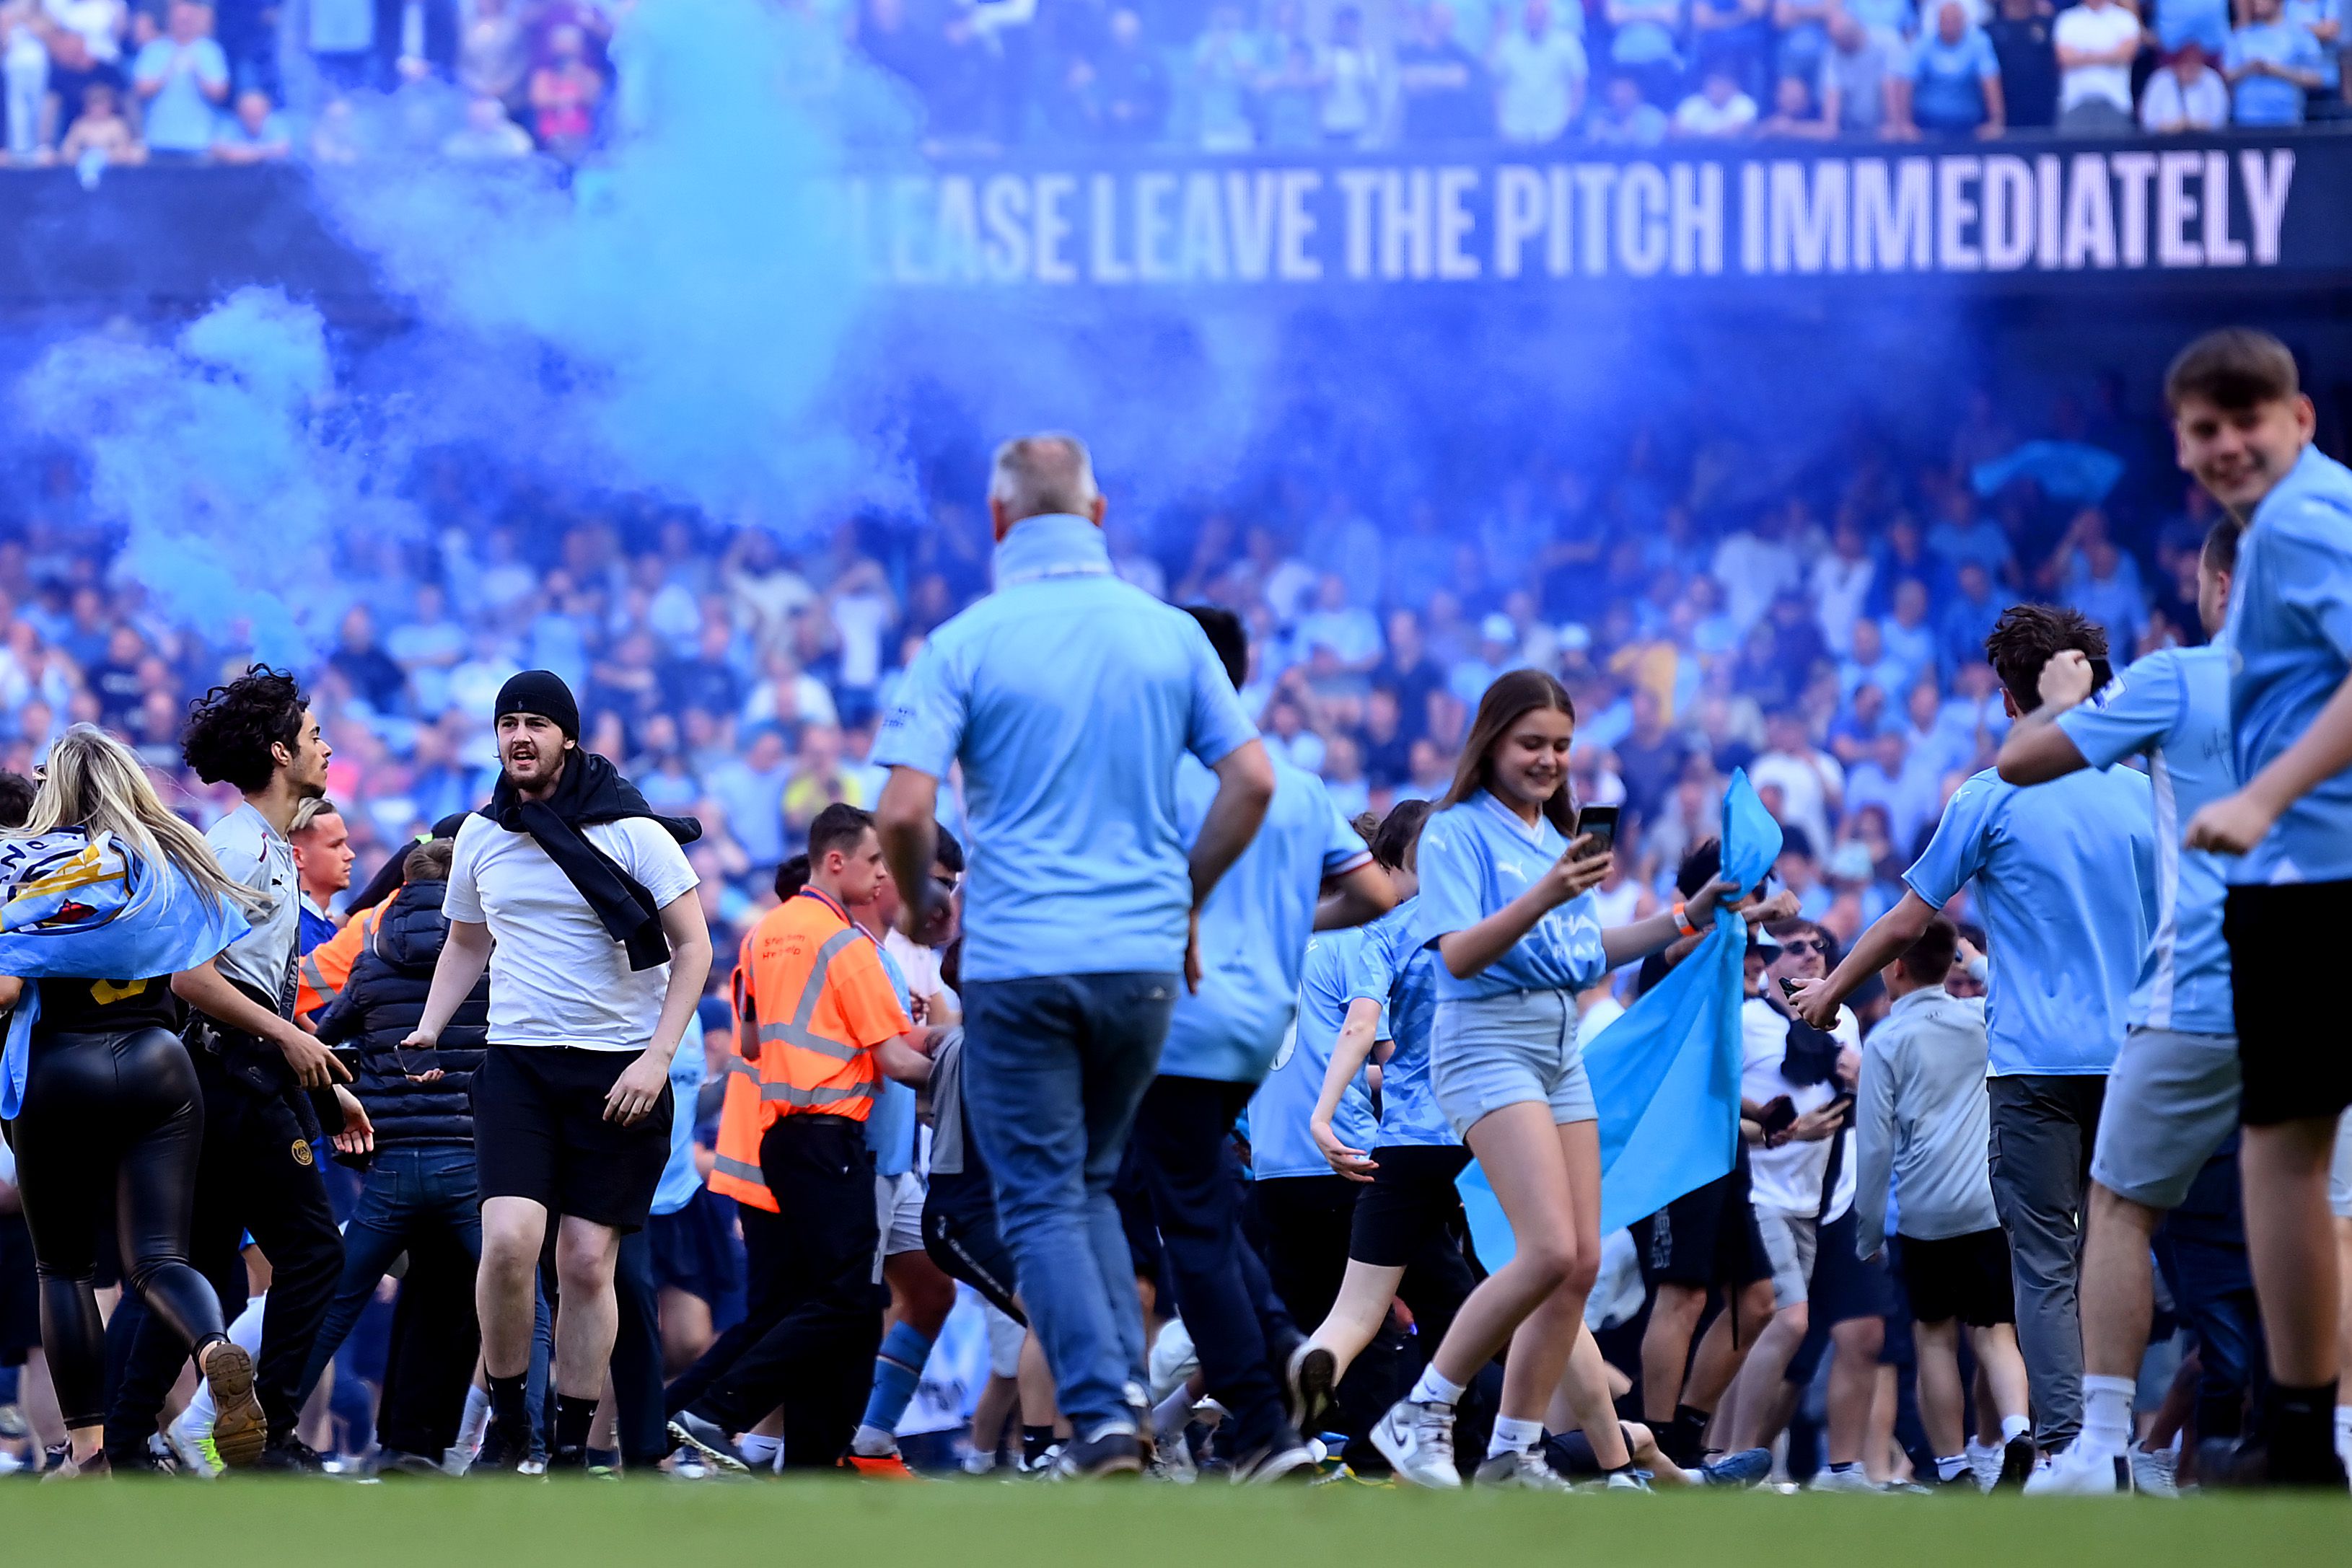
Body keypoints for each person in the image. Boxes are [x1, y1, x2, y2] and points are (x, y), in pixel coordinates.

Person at [873, 433, 1274, 1477]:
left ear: (999, 520)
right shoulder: (1170, 635)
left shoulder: (966, 639)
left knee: (1045, 1192)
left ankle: (1099, 1417)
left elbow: (906, 804)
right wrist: (1185, 893)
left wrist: (920, 903)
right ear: (1100, 515)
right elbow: (1253, 783)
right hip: (1141, 961)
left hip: (1020, 958)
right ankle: (1125, 1399)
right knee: (1091, 1182)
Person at [1370, 669, 1754, 1489]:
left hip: (1555, 1046)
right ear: (1490, 742)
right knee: (1543, 1248)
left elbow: (1587, 954)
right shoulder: (1452, 832)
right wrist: (1548, 890)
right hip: (1482, 1044)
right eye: (1530, 743)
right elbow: (1459, 953)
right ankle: (1424, 1407)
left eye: (1559, 745)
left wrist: (1691, 913)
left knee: (1578, 1261)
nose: (1547, 759)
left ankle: (1513, 1450)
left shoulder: (1558, 837)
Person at [1796, 607, 2155, 1463]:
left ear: (2005, 697)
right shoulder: (2143, 789)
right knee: (2123, 1242)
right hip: (2138, 1057)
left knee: (2042, 1260)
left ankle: (2070, 1444)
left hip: (2032, 1066)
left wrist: (1828, 991)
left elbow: (1902, 923)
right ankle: (2120, 1438)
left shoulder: (1992, 791)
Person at [400, 670, 711, 1472]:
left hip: (619, 1071)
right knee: (506, 1244)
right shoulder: (479, 835)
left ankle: (571, 1446)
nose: (519, 735)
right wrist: (430, 1025)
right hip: (519, 1066)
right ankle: (509, 1420)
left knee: (583, 1262)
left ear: (567, 735)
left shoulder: (636, 833)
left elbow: (694, 947)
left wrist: (657, 1057)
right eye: (507, 722)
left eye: (535, 720)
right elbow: (468, 940)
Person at [1996, 516, 2244, 1492]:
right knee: (2326, 1220)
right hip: (2318, 989)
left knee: (2117, 1212)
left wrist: (2065, 703)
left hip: (2194, 994)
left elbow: (2023, 761)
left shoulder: (2175, 680)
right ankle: (2333, 1435)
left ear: (2217, 583)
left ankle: (2098, 1443)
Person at [1128, 606, 1391, 1483]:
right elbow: (1376, 892)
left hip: (1172, 1015)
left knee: (1190, 1228)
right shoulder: (1299, 782)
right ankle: (1280, 1353)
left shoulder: (1149, 778)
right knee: (1202, 1198)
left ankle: (1262, 1415)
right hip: (1256, 1028)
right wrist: (1282, 926)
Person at [107, 668, 372, 1474]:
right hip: (227, 1076)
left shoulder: (269, 847)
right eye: (316, 733)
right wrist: (287, 1043)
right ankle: (272, 1435)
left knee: (206, 1266)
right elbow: (189, 973)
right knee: (316, 1252)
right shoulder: (236, 843)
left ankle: (122, 1443)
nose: (327, 747)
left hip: (240, 1071)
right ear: (281, 749)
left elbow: (251, 984)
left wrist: (322, 1080)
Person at [2175, 327, 2352, 1486]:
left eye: (2253, 418)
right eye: (2207, 425)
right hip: (2307, 874)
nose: (2231, 443)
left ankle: (2296, 1436)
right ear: (2182, 441)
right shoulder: (2315, 508)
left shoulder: (2293, 523)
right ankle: (2296, 1435)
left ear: (2302, 418)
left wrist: (2261, 797)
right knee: (2289, 1157)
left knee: (2281, 1157)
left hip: (2314, 875)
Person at [0, 733, 274, 1476]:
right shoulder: (166, 856)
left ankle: (87, 1450)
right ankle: (215, 1348)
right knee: (158, 1258)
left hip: (59, 1064)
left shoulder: (26, 861)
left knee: (63, 1266)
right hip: (159, 1061)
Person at [664, 803, 932, 1471]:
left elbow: (751, 1041)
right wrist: (976, 1070)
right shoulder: (846, 944)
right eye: (875, 862)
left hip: (777, 1139)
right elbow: (898, 1061)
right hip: (830, 1135)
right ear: (835, 861)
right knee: (848, 1299)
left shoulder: (763, 934)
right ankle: (723, 1411)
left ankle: (752, 1439)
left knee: (804, 1303)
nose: (880, 876)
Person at [291, 835, 491, 1472]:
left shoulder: (369, 956)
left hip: (392, 1164)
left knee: (334, 1305)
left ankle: (263, 1423)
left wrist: (351, 1098)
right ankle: (536, 1442)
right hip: (469, 1162)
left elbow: (321, 1042)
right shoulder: (494, 956)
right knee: (525, 1301)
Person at [1851, 916, 2035, 1489]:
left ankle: (1953, 1466)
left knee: (1935, 1336)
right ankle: (2018, 1429)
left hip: (1925, 1211)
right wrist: (1973, 959)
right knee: (1995, 1329)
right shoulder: (1982, 1018)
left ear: (1896, 966)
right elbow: (2018, 990)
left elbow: (1876, 1148)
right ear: (1949, 961)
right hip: (1987, 1200)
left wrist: (1869, 1232)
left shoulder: (1885, 1040)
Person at [2052, 0, 2142, 133]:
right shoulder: (2068, 19)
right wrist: (2110, 55)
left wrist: (2083, 55)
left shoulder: (2125, 19)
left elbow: (2126, 55)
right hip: (2075, 104)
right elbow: (2065, 58)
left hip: (2115, 103)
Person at [288, 796, 352, 951]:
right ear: (298, 857)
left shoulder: (322, 926)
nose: (350, 854)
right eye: (335, 845)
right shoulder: (294, 934)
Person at [2138, 40, 2230, 131]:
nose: (2190, 67)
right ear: (2176, 63)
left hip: (2205, 140)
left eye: (2195, 63)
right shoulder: (2161, 79)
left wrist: (2196, 125)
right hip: (2163, 140)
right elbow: (2147, 118)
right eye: (2185, 63)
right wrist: (2169, 126)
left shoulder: (2212, 80)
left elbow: (2220, 118)